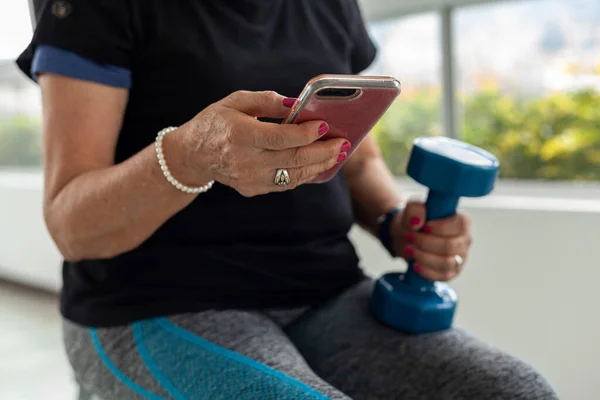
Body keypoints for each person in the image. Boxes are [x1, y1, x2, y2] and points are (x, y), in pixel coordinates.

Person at [17, 1, 557, 399]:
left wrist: (397, 224)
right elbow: (72, 223)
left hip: (324, 292)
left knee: (518, 391)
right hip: (155, 304)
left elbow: (360, 160)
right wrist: (188, 155)